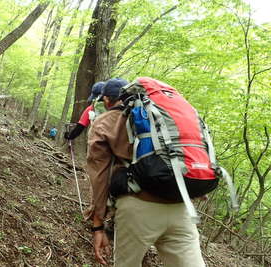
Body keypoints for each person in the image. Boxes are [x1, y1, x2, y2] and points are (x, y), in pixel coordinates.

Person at [85, 78, 206, 266]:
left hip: (137, 207)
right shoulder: (161, 117)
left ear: (108, 100)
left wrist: (98, 225)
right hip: (180, 207)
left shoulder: (104, 122)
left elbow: (99, 176)